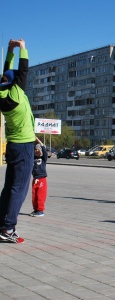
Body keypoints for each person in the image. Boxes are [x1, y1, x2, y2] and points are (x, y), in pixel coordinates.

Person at [0, 39, 35, 243]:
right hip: (23, 147)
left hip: (13, 146)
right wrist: (22, 48)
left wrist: (10, 50)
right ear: (13, 83)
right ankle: (8, 229)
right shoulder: (16, 92)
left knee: (9, 187)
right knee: (19, 189)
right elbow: (22, 71)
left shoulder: (3, 93)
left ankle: (1, 225)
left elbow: (9, 72)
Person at [30, 136, 48, 217]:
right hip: (35, 179)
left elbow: (43, 147)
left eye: (38, 150)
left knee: (40, 195)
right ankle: (36, 209)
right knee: (34, 195)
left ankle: (40, 210)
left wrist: (37, 139)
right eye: (35, 150)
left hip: (42, 179)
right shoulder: (33, 158)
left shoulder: (43, 158)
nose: (36, 151)